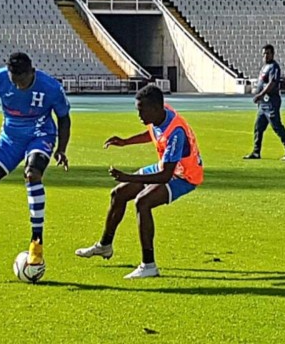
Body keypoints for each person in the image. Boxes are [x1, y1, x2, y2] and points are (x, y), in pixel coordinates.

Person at [75, 85, 203, 279]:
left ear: (155, 108)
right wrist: (126, 141)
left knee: (143, 202)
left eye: (141, 110)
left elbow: (165, 176)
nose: (138, 114)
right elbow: (153, 133)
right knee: (119, 193)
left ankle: (149, 265)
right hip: (167, 166)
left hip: (184, 176)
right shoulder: (162, 114)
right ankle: (104, 246)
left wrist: (129, 177)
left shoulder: (175, 131)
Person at [0, 52, 71, 266]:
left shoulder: (50, 87)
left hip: (40, 135)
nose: (18, 86)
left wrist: (62, 149)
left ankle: (36, 242)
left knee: (32, 174)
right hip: (10, 139)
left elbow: (64, 118)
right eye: (14, 81)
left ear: (31, 71)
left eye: (22, 81)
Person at [244, 44, 285, 160]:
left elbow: (272, 83)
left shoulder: (274, 67)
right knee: (258, 127)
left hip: (271, 102)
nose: (265, 56)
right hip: (263, 104)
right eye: (264, 54)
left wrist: (260, 94)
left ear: (272, 54)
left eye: (268, 53)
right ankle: (256, 152)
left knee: (277, 126)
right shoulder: (264, 67)